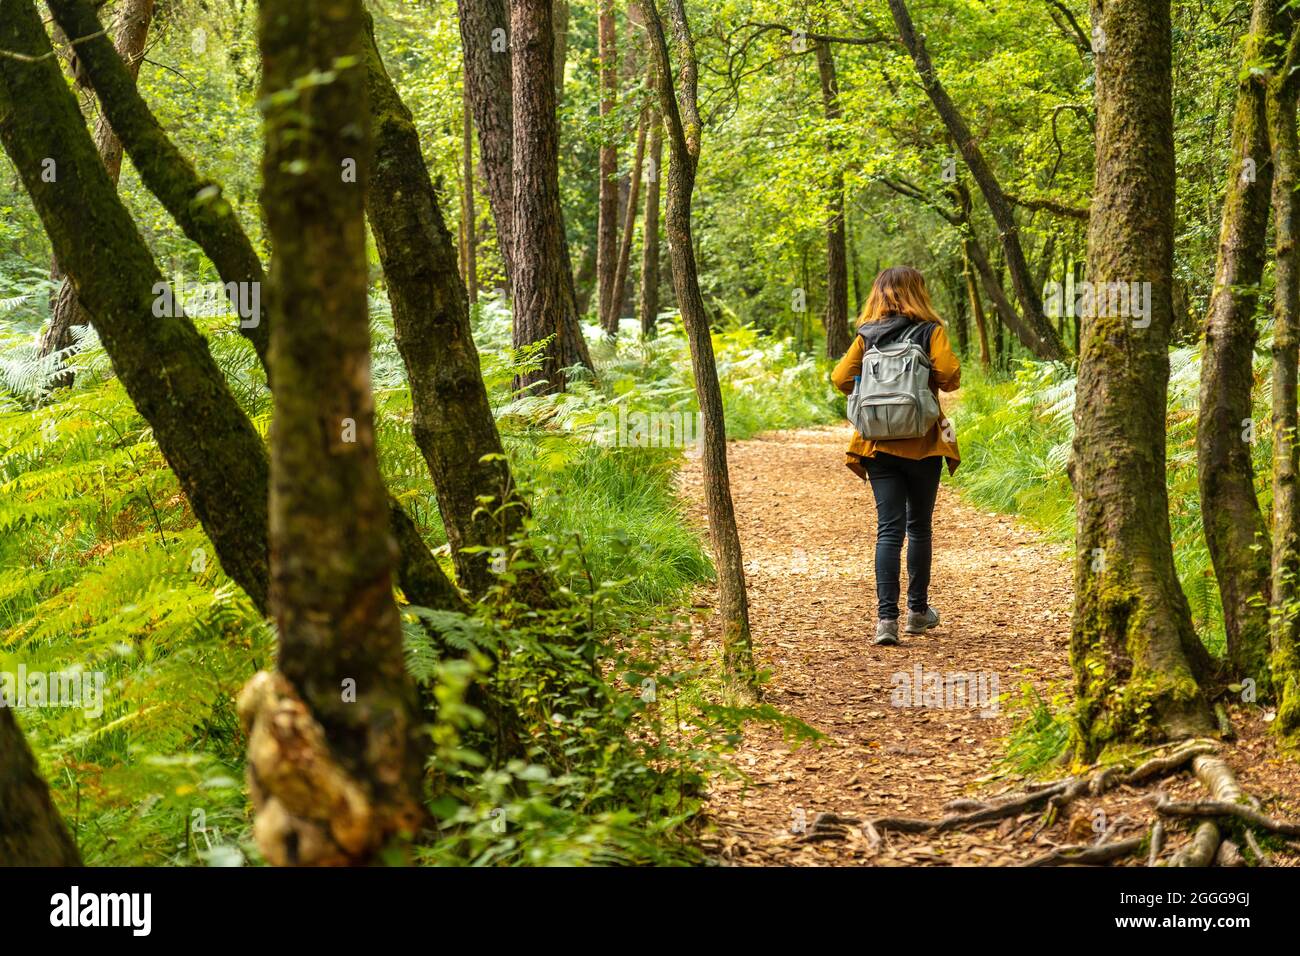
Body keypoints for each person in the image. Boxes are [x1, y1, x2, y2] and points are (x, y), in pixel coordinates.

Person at [831, 266, 961, 646]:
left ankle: (885, 620)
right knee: (918, 526)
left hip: (877, 445)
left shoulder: (866, 336)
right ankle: (917, 613)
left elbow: (840, 379)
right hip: (922, 444)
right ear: (918, 293)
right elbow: (951, 376)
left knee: (889, 530)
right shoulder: (930, 331)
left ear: (878, 295)